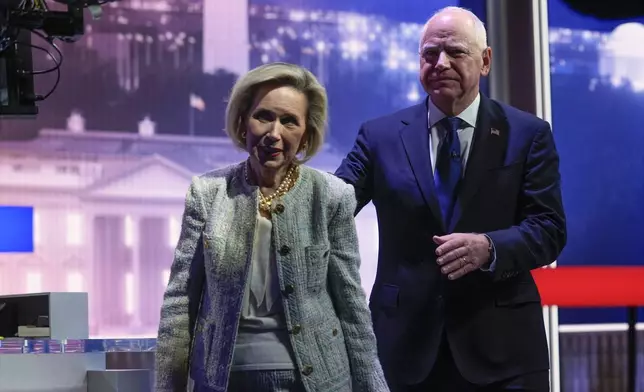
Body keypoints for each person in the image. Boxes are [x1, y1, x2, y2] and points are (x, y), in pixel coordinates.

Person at [335, 6, 566, 392]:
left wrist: (489, 247)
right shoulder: (379, 136)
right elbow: (331, 204)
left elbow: (550, 229)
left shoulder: (528, 134)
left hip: (504, 351)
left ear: (485, 61)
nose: (440, 63)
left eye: (455, 52)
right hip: (404, 348)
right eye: (429, 53)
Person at [155, 62, 388, 392]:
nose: (274, 133)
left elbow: (351, 309)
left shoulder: (332, 196)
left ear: (306, 134)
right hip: (225, 380)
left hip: (319, 381)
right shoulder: (207, 193)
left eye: (289, 121)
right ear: (242, 122)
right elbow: (180, 303)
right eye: (263, 116)